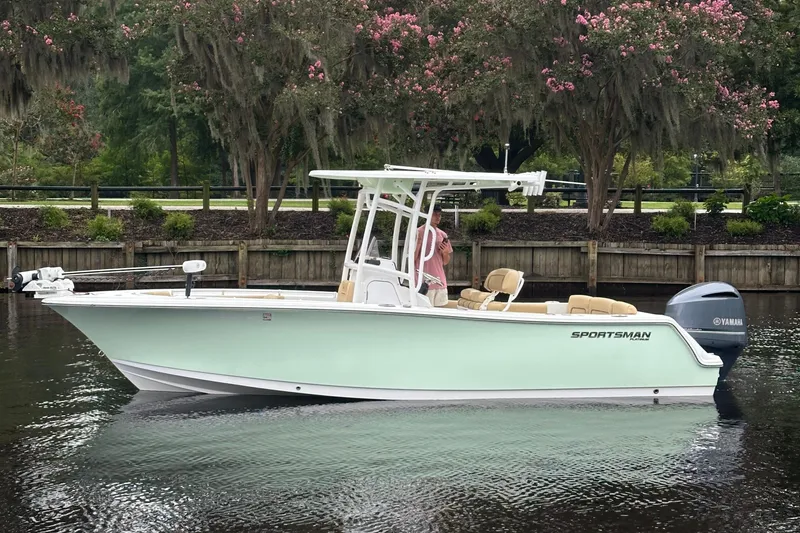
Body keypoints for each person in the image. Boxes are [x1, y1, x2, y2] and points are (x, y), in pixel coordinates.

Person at [414, 204, 453, 307]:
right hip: (422, 282)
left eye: (439, 214)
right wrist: (419, 242)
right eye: (434, 214)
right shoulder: (417, 232)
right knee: (423, 311)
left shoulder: (442, 235)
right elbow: (412, 259)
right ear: (427, 215)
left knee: (441, 311)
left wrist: (445, 252)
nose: (437, 217)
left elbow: (446, 262)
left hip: (439, 281)